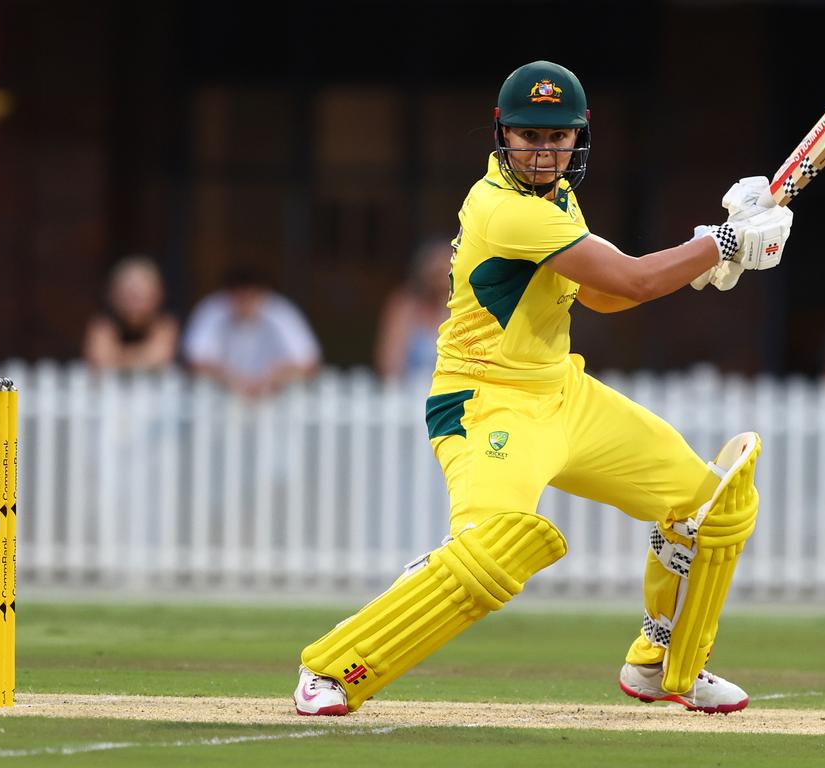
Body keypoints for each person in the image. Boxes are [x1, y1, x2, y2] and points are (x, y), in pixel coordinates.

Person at [292, 61, 793, 717]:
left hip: (561, 393)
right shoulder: (504, 209)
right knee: (493, 549)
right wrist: (724, 241)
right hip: (485, 402)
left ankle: (662, 662)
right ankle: (331, 669)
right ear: (502, 134)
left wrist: (707, 260)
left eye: (558, 137)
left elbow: (605, 294)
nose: (544, 150)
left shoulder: (556, 198)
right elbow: (637, 279)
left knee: (712, 507)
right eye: (530, 136)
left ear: (578, 138)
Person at [182, 268, 320, 397]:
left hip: (276, 404)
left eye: (251, 296)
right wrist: (229, 378)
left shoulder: (281, 311)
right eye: (240, 296)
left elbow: (309, 362)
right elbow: (193, 360)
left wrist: (272, 379)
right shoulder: (212, 309)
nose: (245, 303)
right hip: (217, 402)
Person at [374, 238, 453, 387]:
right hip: (406, 393)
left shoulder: (467, 309)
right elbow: (388, 362)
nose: (442, 282)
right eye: (437, 273)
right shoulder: (405, 306)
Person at [83, 256, 179, 371]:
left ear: (157, 295)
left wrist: (117, 356)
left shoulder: (164, 324)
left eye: (140, 296)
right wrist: (142, 356)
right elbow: (99, 358)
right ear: (113, 295)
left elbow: (159, 357)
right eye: (128, 295)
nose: (133, 303)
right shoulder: (104, 324)